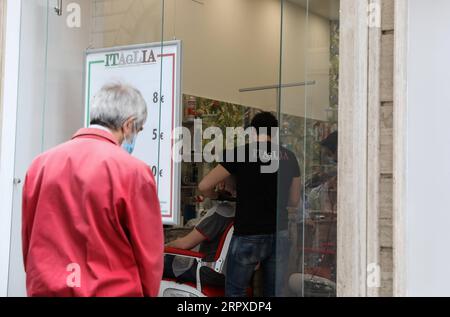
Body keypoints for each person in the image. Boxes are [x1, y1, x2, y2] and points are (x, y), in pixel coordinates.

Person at [21, 83, 164, 297]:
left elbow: (29, 238)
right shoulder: (133, 172)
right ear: (128, 125)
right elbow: (148, 257)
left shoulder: (39, 165)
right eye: (138, 130)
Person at [198, 112, 301, 297]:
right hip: (280, 231)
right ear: (275, 133)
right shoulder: (290, 157)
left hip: (248, 233)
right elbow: (294, 200)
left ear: (253, 132)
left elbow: (204, 186)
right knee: (274, 292)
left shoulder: (238, 153)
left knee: (236, 292)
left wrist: (216, 195)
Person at [164, 177, 235, 287]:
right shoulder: (236, 211)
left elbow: (184, 245)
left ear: (222, 184)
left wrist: (163, 248)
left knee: (152, 262)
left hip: (208, 272)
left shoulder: (220, 214)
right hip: (229, 273)